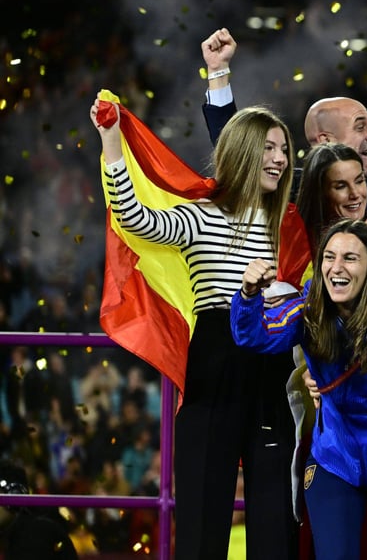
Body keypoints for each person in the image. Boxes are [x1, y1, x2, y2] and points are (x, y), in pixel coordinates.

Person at [93, 101, 296, 559]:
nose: (281, 159)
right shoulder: (200, 216)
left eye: (284, 149)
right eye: (269, 148)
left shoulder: (284, 221)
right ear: (243, 152)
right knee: (202, 519)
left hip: (271, 364)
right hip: (217, 359)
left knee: (274, 521)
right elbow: (134, 217)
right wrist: (111, 141)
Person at [230, 219, 367, 559]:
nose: (336, 267)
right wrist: (248, 295)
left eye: (350, 258)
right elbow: (254, 336)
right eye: (329, 257)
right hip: (334, 460)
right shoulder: (310, 311)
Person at [199, 28, 367, 225]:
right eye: (360, 127)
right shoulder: (289, 190)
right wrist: (218, 71)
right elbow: (237, 151)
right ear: (326, 141)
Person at [296, 143, 367, 290]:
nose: (355, 194)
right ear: (320, 193)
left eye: (359, 181)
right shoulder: (298, 242)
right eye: (341, 186)